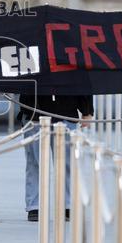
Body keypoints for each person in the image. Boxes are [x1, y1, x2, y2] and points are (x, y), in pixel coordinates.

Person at [18, 93, 93, 222]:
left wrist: (87, 110)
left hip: (64, 110)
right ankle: (34, 206)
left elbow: (81, 78)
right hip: (35, 110)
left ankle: (66, 204)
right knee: (35, 162)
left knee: (66, 163)